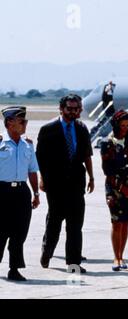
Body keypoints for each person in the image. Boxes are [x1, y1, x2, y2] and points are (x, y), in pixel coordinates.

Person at [37, 94, 95, 274]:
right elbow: (41, 157)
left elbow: (87, 154)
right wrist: (42, 178)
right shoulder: (48, 129)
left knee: (75, 225)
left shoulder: (82, 128)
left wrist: (92, 177)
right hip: (55, 183)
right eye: (70, 108)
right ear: (61, 109)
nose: (74, 112)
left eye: (77, 108)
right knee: (54, 221)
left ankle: (73, 263)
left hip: (76, 182)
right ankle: (47, 251)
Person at [0, 107, 40, 281]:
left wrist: (36, 192)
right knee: (0, 232)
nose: (25, 124)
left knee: (20, 232)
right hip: (2, 191)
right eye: (21, 121)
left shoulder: (28, 144)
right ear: (10, 122)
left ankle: (14, 268)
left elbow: (32, 170)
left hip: (22, 192)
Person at [100, 110, 128, 271]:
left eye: (127, 125)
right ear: (116, 125)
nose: (125, 128)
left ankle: (122, 255)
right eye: (122, 125)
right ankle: (115, 257)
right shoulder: (107, 142)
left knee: (125, 223)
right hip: (114, 189)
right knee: (116, 222)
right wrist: (120, 187)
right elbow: (107, 169)